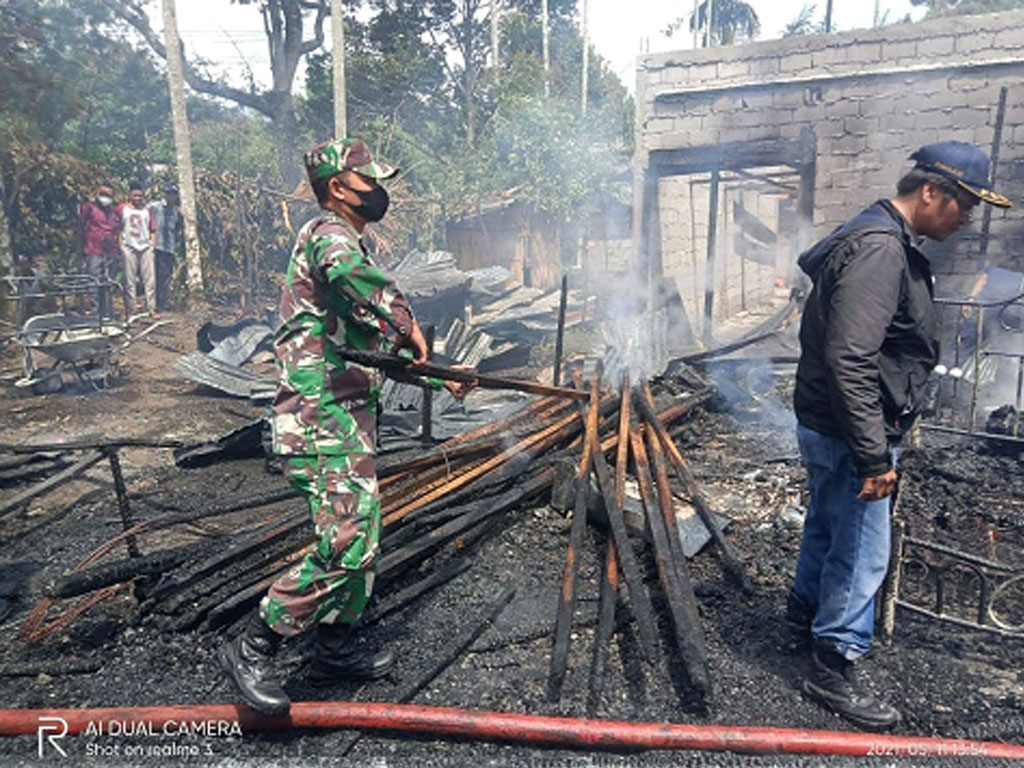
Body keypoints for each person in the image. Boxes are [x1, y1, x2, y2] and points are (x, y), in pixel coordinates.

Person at [220, 138, 472, 716]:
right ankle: (256, 643)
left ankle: (334, 647)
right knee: (347, 545)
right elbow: (372, 296)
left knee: (364, 538)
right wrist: (404, 315)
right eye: (369, 180)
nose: (379, 191)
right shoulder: (328, 238)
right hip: (318, 418)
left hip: (345, 420)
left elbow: (377, 353)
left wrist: (442, 377)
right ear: (339, 186)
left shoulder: (346, 253)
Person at [788, 141, 1011, 730]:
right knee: (864, 549)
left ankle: (800, 620)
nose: (965, 219)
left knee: (827, 524)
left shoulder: (875, 236)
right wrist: (872, 457)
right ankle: (833, 663)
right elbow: (851, 358)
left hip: (831, 423)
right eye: (962, 204)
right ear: (931, 191)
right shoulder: (880, 252)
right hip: (851, 429)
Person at [78, 183, 121, 316]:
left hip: (110, 252)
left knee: (108, 283)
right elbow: (81, 226)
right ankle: (96, 313)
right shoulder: (89, 208)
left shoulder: (114, 212)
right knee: (94, 282)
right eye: (103, 194)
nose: (105, 198)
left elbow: (118, 229)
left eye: (108, 195)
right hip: (93, 251)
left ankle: (107, 312)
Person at [118, 182, 157, 319]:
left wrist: (152, 244)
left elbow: (152, 228)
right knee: (129, 280)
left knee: (150, 280)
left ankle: (152, 308)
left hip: (145, 247)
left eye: (140, 195)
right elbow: (118, 226)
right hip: (129, 246)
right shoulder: (123, 209)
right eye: (135, 195)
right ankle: (131, 309)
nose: (138, 198)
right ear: (130, 194)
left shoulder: (147, 210)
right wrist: (120, 245)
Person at [150, 185, 183, 311]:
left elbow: (177, 229)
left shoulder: (176, 211)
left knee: (165, 276)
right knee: (156, 276)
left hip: (169, 248)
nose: (171, 197)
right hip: (157, 246)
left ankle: (162, 302)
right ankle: (155, 303)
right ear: (165, 194)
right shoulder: (155, 207)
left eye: (174, 194)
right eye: (169, 193)